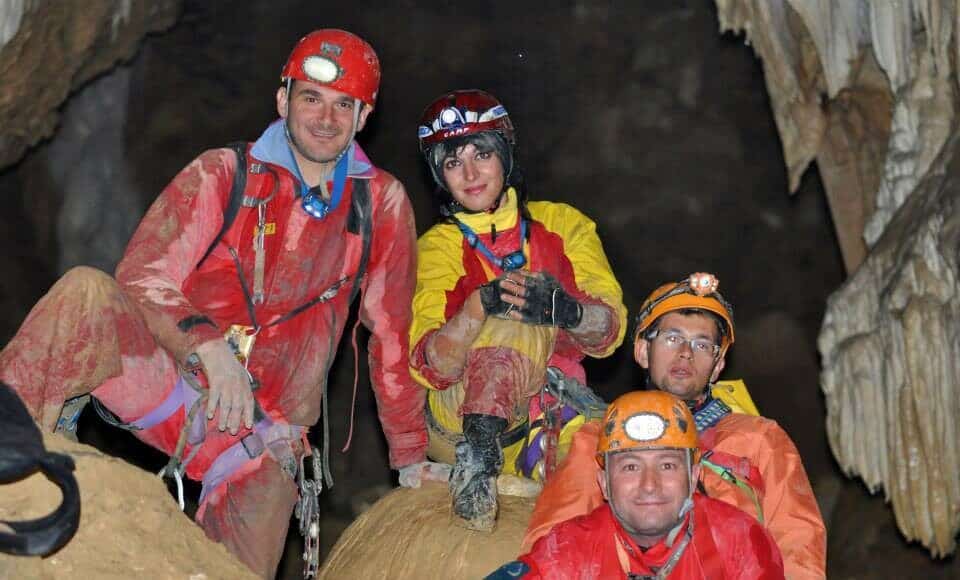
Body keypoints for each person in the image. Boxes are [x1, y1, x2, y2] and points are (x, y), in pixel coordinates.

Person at [0, 29, 446, 577]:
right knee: (86, 292)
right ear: (283, 100)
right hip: (165, 382)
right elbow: (142, 276)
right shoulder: (223, 173)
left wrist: (408, 457)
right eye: (311, 98)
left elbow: (391, 338)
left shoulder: (379, 205)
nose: (325, 118)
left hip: (258, 440)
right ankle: (9, 450)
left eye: (343, 105)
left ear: (363, 116)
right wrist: (207, 348)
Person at [409, 89, 627, 531]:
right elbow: (430, 366)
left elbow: (610, 331)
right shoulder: (437, 246)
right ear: (440, 177)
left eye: (481, 155)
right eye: (453, 163)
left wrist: (567, 312)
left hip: (546, 410)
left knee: (624, 461)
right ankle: (477, 463)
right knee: (512, 309)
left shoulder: (563, 224)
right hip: (460, 417)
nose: (469, 173)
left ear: (505, 155)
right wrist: (478, 307)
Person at [522, 273, 827, 579]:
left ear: (718, 364)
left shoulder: (759, 439)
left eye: (702, 344)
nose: (685, 352)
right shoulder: (599, 439)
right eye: (672, 338)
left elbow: (798, 545)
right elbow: (554, 542)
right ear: (643, 351)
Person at [487, 390, 786, 579]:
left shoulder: (738, 541)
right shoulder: (570, 548)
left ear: (694, 476)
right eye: (630, 467)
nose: (649, 485)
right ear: (603, 483)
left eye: (667, 465)